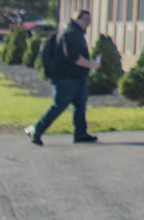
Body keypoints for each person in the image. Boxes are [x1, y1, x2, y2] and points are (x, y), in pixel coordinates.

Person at [30, 10, 100, 146]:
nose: (88, 23)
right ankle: (37, 130)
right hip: (65, 78)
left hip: (76, 78)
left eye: (90, 21)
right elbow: (74, 58)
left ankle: (80, 133)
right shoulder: (71, 34)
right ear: (76, 19)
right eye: (85, 20)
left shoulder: (74, 33)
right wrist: (92, 65)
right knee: (59, 105)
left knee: (80, 106)